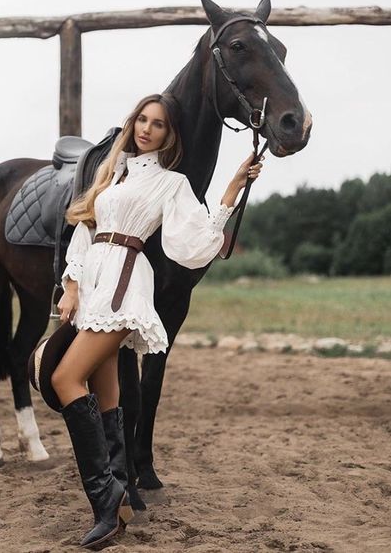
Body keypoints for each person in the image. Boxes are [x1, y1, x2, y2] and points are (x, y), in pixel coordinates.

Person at [44, 93, 262, 549]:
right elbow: (84, 232)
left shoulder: (172, 183)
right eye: (141, 119)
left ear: (169, 134)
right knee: (107, 396)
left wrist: (232, 189)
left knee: (66, 378)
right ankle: (120, 488)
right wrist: (71, 284)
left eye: (158, 123)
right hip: (94, 287)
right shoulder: (112, 173)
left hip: (126, 285)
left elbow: (196, 241)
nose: (147, 128)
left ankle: (106, 499)